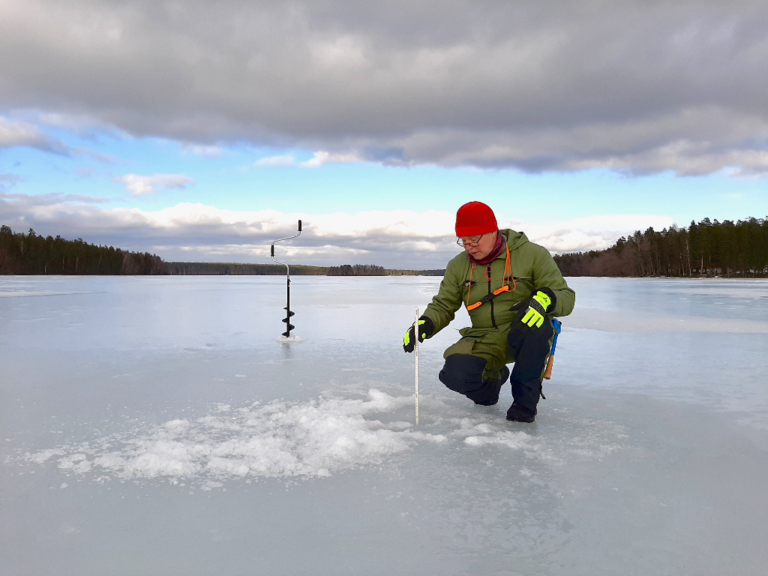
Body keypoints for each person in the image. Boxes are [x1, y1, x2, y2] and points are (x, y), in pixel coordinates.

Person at [402, 201, 575, 423]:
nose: (469, 246)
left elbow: (566, 296)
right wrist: (426, 323)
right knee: (455, 374)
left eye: (474, 239)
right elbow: (444, 305)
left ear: (493, 231)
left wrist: (547, 299)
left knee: (535, 327)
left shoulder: (533, 254)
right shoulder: (458, 265)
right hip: (484, 336)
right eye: (463, 241)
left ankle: (524, 404)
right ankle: (492, 383)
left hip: (525, 332)